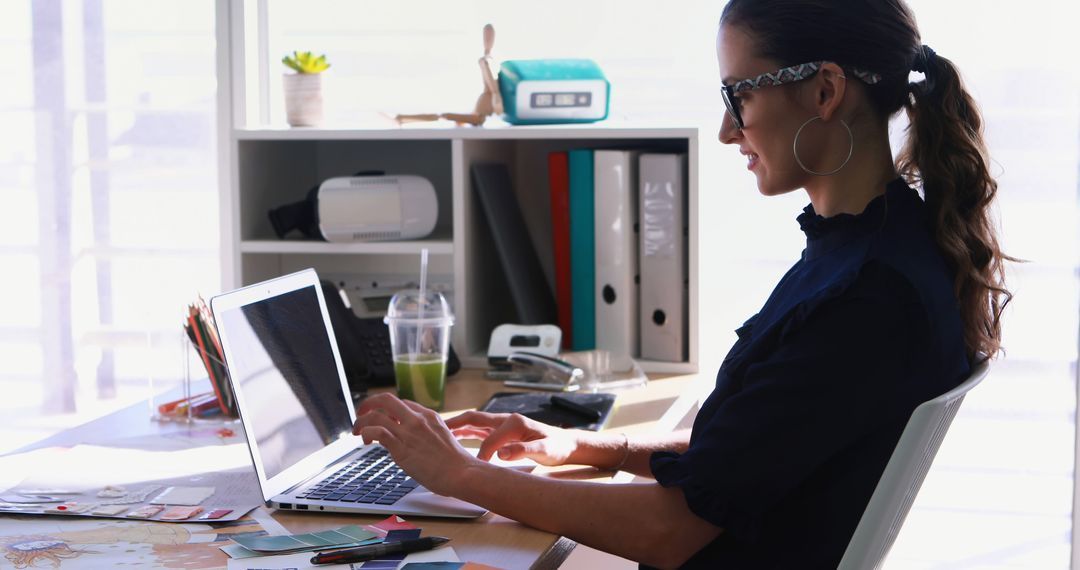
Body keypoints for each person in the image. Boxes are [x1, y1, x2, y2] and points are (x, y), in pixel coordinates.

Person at [353, 0, 1013, 567]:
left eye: (740, 95)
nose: (728, 130)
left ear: (824, 90)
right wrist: (587, 445)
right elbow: (755, 451)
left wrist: (461, 475)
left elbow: (673, 531)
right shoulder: (878, 249)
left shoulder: (868, 297)